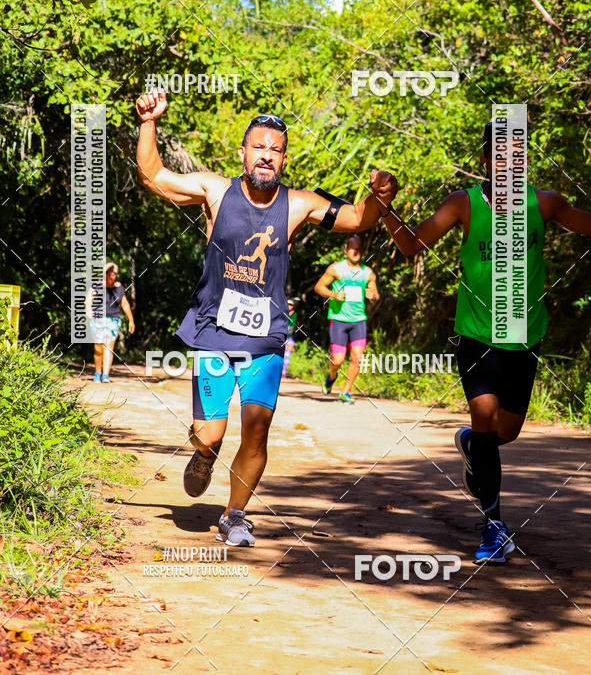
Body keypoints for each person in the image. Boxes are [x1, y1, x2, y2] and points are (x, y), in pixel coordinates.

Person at [135, 90, 397, 547]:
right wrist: (148, 122)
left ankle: (235, 514)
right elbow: (154, 175)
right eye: (258, 146)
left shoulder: (298, 204)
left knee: (256, 431)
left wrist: (381, 195)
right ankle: (203, 455)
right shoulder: (215, 191)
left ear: (284, 159)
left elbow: (357, 219)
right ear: (243, 152)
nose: (266, 155)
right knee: (209, 434)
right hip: (215, 331)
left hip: (265, 338)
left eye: (275, 150)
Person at [381, 120, 591, 563]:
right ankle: (494, 526)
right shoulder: (464, 204)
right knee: (484, 415)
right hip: (477, 333)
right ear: (485, 162)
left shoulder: (545, 203)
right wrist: (384, 208)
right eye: (499, 157)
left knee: (507, 430)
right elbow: (410, 245)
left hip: (524, 333)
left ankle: (472, 446)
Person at [314, 235, 379, 403]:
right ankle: (331, 376)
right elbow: (319, 287)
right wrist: (334, 294)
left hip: (359, 320)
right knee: (338, 360)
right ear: (346, 250)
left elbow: (375, 294)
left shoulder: (367, 273)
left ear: (362, 251)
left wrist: (372, 295)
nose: (355, 251)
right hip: (338, 319)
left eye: (358, 248)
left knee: (357, 357)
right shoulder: (336, 269)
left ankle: (345, 392)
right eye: (352, 248)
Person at [85, 262, 135, 383]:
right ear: (105, 274)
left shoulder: (118, 288)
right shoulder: (97, 285)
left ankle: (105, 375)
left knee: (109, 346)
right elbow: (88, 299)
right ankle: (98, 372)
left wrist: (131, 320)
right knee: (98, 347)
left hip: (113, 320)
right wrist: (88, 310)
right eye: (109, 274)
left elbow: (125, 304)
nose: (111, 277)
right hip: (97, 319)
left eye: (114, 274)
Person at [282, 296, 300, 378]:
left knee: (287, 355)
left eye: (291, 305)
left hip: (290, 337)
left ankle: (284, 372)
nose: (289, 306)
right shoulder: (282, 313)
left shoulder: (295, 314)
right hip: (281, 337)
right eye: (288, 304)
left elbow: (295, 326)